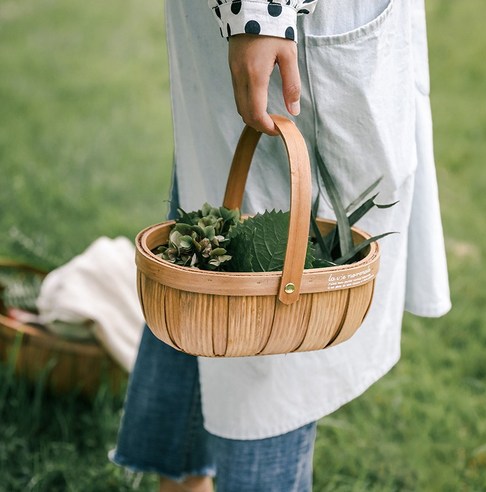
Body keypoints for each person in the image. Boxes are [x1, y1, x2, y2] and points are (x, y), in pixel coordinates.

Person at [110, 1, 452, 491]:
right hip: (273, 21)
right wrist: (259, 16)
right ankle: (193, 479)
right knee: (267, 324)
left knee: (214, 249)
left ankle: (182, 479)